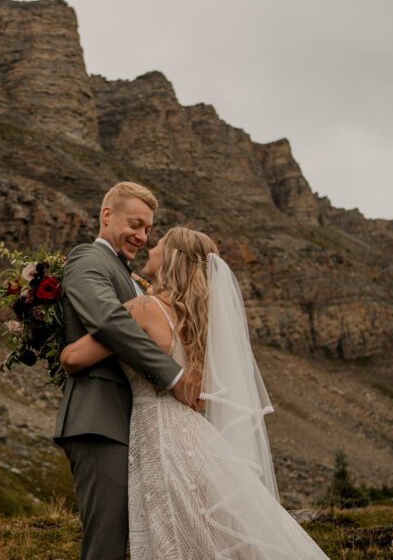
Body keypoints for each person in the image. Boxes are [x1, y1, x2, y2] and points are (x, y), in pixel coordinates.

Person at [61, 227, 329, 559]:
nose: (151, 247)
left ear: (171, 257)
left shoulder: (144, 308)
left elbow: (72, 358)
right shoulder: (204, 320)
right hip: (196, 437)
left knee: (173, 537)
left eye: (158, 244)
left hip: (159, 436)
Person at [54, 183, 204, 560]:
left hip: (134, 422)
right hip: (100, 419)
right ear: (107, 215)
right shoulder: (87, 259)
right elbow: (107, 319)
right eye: (134, 224)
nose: (141, 236)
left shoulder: (134, 279)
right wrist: (172, 376)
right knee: (107, 540)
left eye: (148, 230)